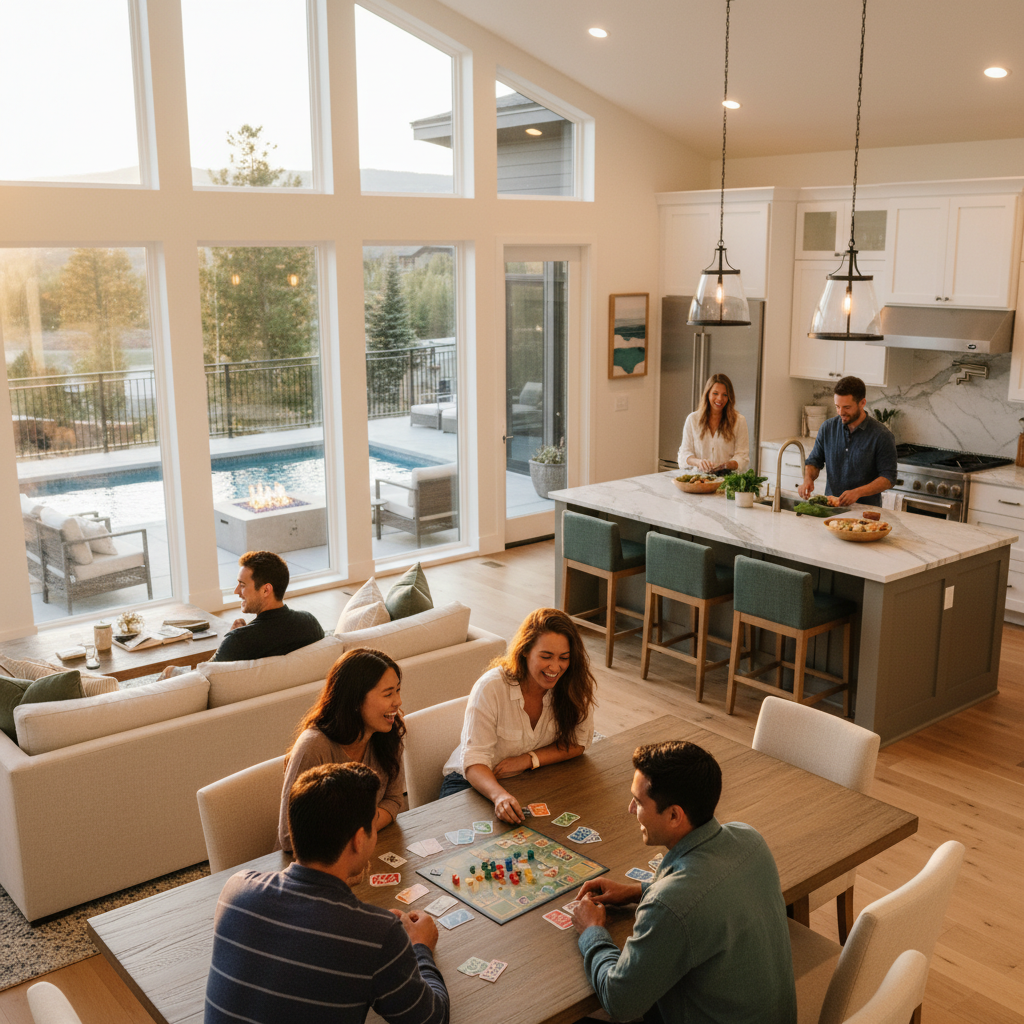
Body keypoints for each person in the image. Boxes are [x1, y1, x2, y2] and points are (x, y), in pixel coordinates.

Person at [570, 740, 796, 1024]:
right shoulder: (749, 838)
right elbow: (708, 894)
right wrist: (637, 891)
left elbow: (619, 1001)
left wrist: (591, 931)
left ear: (675, 815)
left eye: (639, 802)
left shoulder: (670, 905)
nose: (630, 809)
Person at [205, 762, 449, 1024]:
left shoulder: (236, 888)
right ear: (358, 840)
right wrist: (420, 946)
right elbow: (432, 1020)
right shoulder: (377, 935)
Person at [439, 608, 596, 824]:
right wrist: (499, 796)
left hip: (527, 778)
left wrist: (528, 760)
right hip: (471, 782)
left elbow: (578, 743)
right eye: (546, 656)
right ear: (525, 651)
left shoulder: (572, 684)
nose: (555, 667)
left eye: (564, 658)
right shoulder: (491, 687)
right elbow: (474, 762)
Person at [278, 648, 406, 852]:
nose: (398, 701)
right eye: (388, 694)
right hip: (314, 865)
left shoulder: (388, 732)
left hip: (364, 851)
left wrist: (360, 835)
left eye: (398, 690)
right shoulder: (314, 747)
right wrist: (358, 833)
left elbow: (394, 799)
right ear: (355, 701)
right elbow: (288, 838)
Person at [798, 375, 897, 508]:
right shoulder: (827, 428)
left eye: (847, 407)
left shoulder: (881, 435)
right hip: (831, 508)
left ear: (862, 403)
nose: (840, 412)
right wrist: (808, 479)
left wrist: (857, 492)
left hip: (865, 512)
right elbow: (814, 461)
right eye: (837, 406)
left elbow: (888, 478)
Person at [213, 549, 325, 662]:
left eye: (242, 585)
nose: (236, 591)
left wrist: (235, 638)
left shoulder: (237, 642)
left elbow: (206, 674)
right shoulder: (310, 624)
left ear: (266, 590)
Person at [677, 373, 750, 474]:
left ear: (729, 397)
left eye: (725, 395)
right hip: (698, 481)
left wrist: (726, 465)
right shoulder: (692, 419)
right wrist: (699, 462)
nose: (720, 399)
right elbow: (684, 455)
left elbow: (743, 457)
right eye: (715, 393)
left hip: (726, 482)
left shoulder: (739, 421)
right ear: (708, 394)